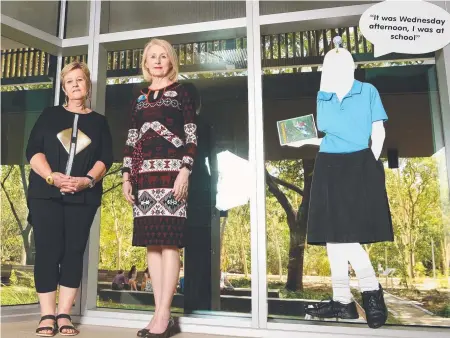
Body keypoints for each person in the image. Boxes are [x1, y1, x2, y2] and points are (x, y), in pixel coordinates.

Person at [289, 44, 391, 329]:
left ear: (352, 66)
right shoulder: (323, 96)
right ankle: (342, 300)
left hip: (360, 163)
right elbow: (331, 138)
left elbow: (378, 130)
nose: (335, 69)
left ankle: (370, 292)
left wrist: (368, 161)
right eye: (330, 65)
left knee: (346, 234)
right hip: (328, 165)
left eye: (341, 63)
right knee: (334, 235)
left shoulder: (368, 91)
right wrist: (305, 141)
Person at [26, 61, 113, 336]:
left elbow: (105, 158)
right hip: (46, 194)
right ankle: (46, 315)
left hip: (83, 197)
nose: (75, 85)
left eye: (80, 80)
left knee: (73, 252)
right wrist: (52, 176)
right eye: (70, 81)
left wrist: (86, 180)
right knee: (48, 251)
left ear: (87, 85)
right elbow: (33, 151)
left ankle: (64, 314)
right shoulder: (49, 115)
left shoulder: (99, 122)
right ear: (64, 88)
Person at [122, 38, 198, 337]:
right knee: (152, 244)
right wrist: (128, 176)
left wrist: (185, 172)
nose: (157, 60)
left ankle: (165, 315)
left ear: (171, 60)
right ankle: (157, 314)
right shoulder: (139, 98)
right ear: (145, 62)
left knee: (170, 243)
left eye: (162, 56)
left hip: (171, 175)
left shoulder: (183, 92)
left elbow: (192, 134)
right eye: (152, 56)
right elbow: (132, 139)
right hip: (144, 178)